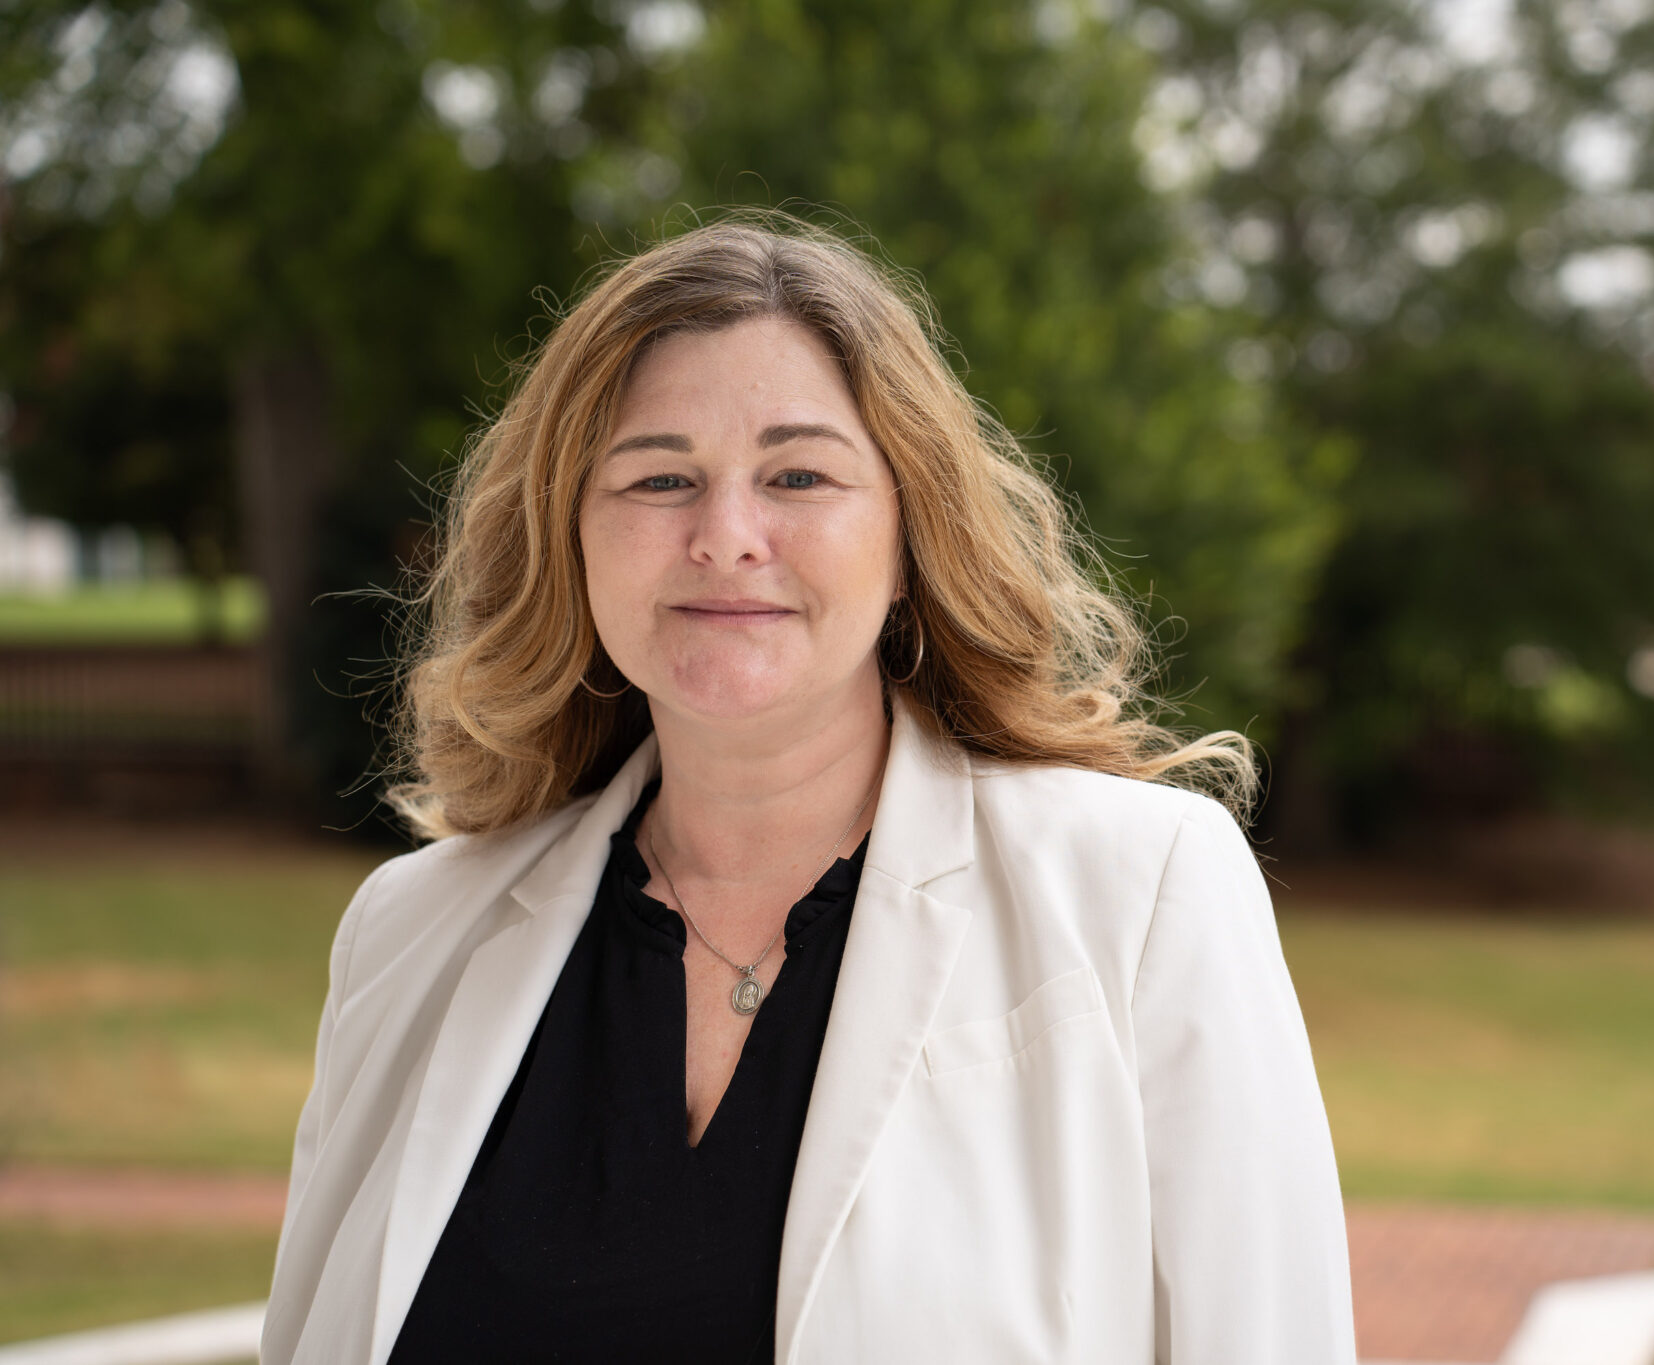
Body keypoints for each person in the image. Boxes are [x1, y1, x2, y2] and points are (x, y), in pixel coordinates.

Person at [261, 213, 1355, 1365]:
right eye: (658, 476)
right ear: (570, 535)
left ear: (906, 534)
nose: (726, 536)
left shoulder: (1140, 894)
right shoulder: (408, 932)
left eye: (797, 473)